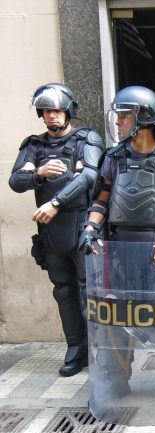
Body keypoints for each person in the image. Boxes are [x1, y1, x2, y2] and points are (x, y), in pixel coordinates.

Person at [79, 85, 155, 415]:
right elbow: (100, 202)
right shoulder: (113, 159)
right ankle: (118, 376)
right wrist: (90, 229)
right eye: (117, 115)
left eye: (124, 115)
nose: (118, 121)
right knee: (118, 317)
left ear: (144, 118)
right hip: (120, 251)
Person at [9, 83, 104, 377]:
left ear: (69, 110)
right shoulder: (34, 146)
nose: (52, 116)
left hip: (81, 224)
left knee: (91, 292)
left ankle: (100, 350)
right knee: (63, 290)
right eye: (47, 111)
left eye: (57, 110)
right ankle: (76, 348)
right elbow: (16, 180)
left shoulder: (86, 139)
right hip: (50, 232)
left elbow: (88, 177)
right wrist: (38, 172)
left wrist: (55, 201)